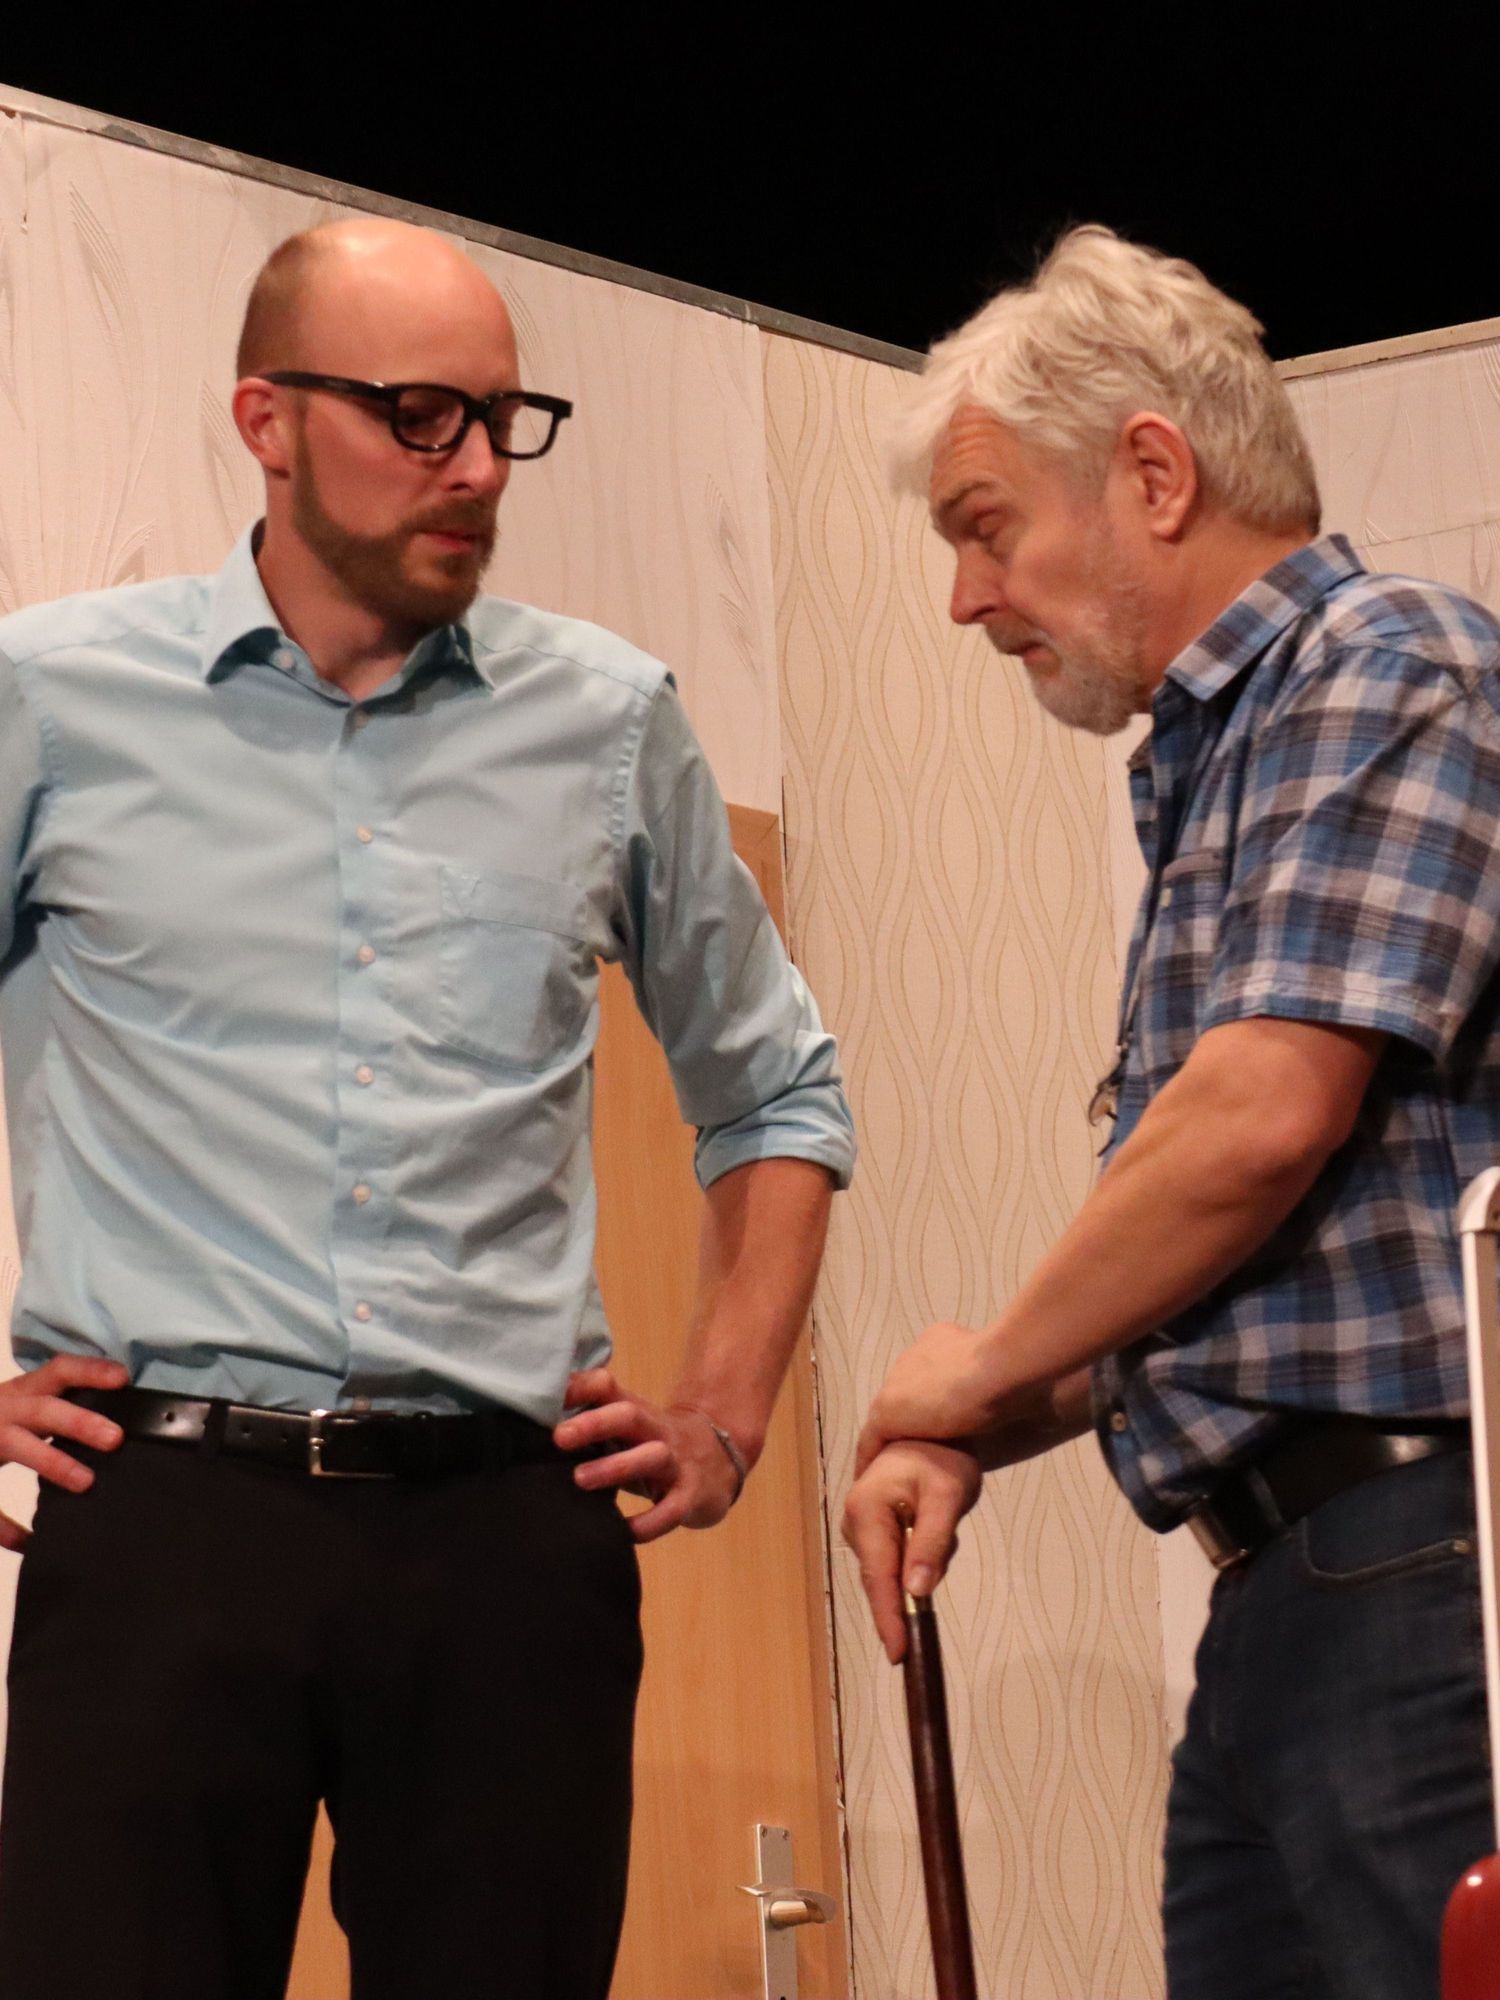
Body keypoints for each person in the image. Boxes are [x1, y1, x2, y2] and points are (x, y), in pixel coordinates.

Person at [0, 217, 855, 2000]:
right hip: (163, 1523)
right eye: (418, 416)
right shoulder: (51, 701)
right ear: (266, 418)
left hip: (504, 1545)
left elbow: (776, 1086)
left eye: (502, 420)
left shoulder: (607, 720)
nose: (476, 469)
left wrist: (722, 1415)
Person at [842, 225, 1500, 1999]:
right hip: (1296, 1586)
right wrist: (989, 1418)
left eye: (987, 527)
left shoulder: (1386, 663)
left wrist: (978, 1369)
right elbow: (1253, 1267)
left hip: (1420, 1567)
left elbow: (1257, 1126)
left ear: (1152, 472)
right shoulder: (1227, 760)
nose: (966, 598)